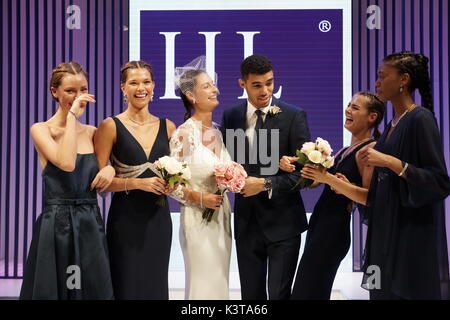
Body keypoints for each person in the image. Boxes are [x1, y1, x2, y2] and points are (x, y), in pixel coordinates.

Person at [301, 52, 450, 300]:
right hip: (380, 236)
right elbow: (374, 194)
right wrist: (344, 186)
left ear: (403, 79)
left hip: (407, 238)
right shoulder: (393, 124)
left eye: (382, 76)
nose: (377, 82)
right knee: (377, 291)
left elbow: (439, 182)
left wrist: (390, 162)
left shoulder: (420, 119)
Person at [20, 62, 114, 299]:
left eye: (82, 90)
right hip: (56, 223)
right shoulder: (41, 129)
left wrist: (111, 171)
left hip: (90, 221)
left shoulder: (93, 132)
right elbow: (67, 162)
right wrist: (71, 116)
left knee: (93, 288)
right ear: (55, 92)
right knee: (58, 288)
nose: (77, 97)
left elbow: (106, 173)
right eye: (70, 91)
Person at [221, 54, 311, 300]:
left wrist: (265, 183)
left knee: (279, 295)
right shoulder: (230, 116)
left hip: (284, 223)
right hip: (247, 223)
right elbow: (229, 165)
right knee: (250, 297)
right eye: (257, 85)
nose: (265, 90)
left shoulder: (294, 116)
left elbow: (307, 176)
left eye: (269, 83)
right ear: (242, 84)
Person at [280, 92, 385, 299]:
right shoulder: (346, 150)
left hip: (333, 231)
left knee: (309, 292)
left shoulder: (369, 150)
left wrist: (330, 179)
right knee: (307, 290)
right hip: (320, 226)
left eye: (355, 107)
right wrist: (293, 165)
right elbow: (315, 181)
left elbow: (368, 197)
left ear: (372, 117)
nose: (348, 110)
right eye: (349, 105)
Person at [94, 61, 177, 299]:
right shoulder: (110, 126)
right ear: (123, 87)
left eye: (146, 82)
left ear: (154, 86)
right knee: (126, 285)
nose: (141, 88)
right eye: (134, 82)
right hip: (125, 220)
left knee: (156, 284)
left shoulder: (168, 127)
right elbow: (100, 182)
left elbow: (179, 175)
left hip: (158, 220)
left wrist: (175, 184)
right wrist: (138, 183)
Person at [169, 56, 232, 299]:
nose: (214, 89)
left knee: (219, 284)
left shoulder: (217, 130)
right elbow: (171, 183)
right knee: (202, 286)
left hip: (222, 219)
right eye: (206, 86)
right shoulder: (184, 134)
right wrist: (199, 197)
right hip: (197, 220)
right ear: (191, 96)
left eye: (213, 85)